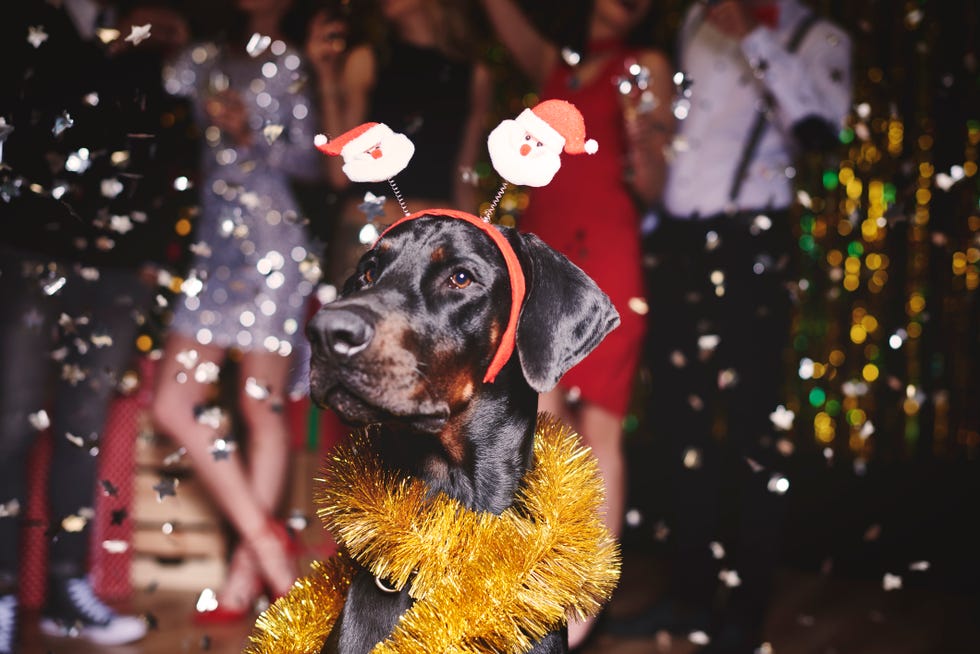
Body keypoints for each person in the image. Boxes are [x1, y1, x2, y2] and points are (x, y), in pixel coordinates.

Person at [629, 1, 852, 651]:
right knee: (680, 421)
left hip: (752, 243)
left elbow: (820, 130)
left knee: (751, 426)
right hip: (680, 238)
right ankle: (689, 596)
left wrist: (756, 39)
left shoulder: (821, 36)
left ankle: (745, 609)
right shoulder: (695, 17)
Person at [476, 0, 675, 648]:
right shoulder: (552, 63)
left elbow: (654, 184)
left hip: (610, 254)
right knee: (541, 421)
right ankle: (536, 582)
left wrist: (648, 140)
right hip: (544, 256)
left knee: (600, 428)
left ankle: (584, 609)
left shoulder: (644, 65)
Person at [0, 1, 192, 650]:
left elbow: (171, 140)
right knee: (12, 421)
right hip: (30, 251)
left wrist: (150, 260)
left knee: (81, 431)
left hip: (119, 268)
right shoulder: (27, 20)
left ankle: (66, 592)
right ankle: (0, 595)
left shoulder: (144, 28)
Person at [151, 0, 323, 623]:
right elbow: (153, 84)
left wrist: (258, 136)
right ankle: (265, 538)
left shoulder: (291, 63)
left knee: (260, 404)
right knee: (174, 402)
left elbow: (312, 160)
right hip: (213, 245)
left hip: (274, 242)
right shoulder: (200, 60)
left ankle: (245, 577)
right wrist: (152, 31)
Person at [305, 0, 494, 288]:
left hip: (436, 241)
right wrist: (327, 80)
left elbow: (463, 176)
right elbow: (338, 172)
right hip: (369, 235)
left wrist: (476, 249)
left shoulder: (474, 75)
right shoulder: (368, 61)